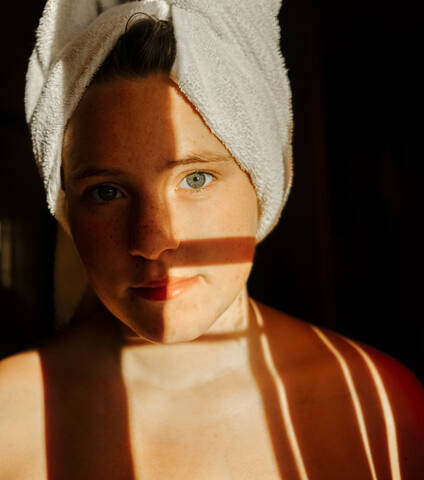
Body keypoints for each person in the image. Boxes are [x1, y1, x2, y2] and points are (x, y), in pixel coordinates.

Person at [1, 3, 423, 479]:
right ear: (67, 206)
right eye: (106, 192)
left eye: (196, 178)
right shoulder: (9, 421)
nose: (153, 240)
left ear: (262, 178)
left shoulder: (377, 406)